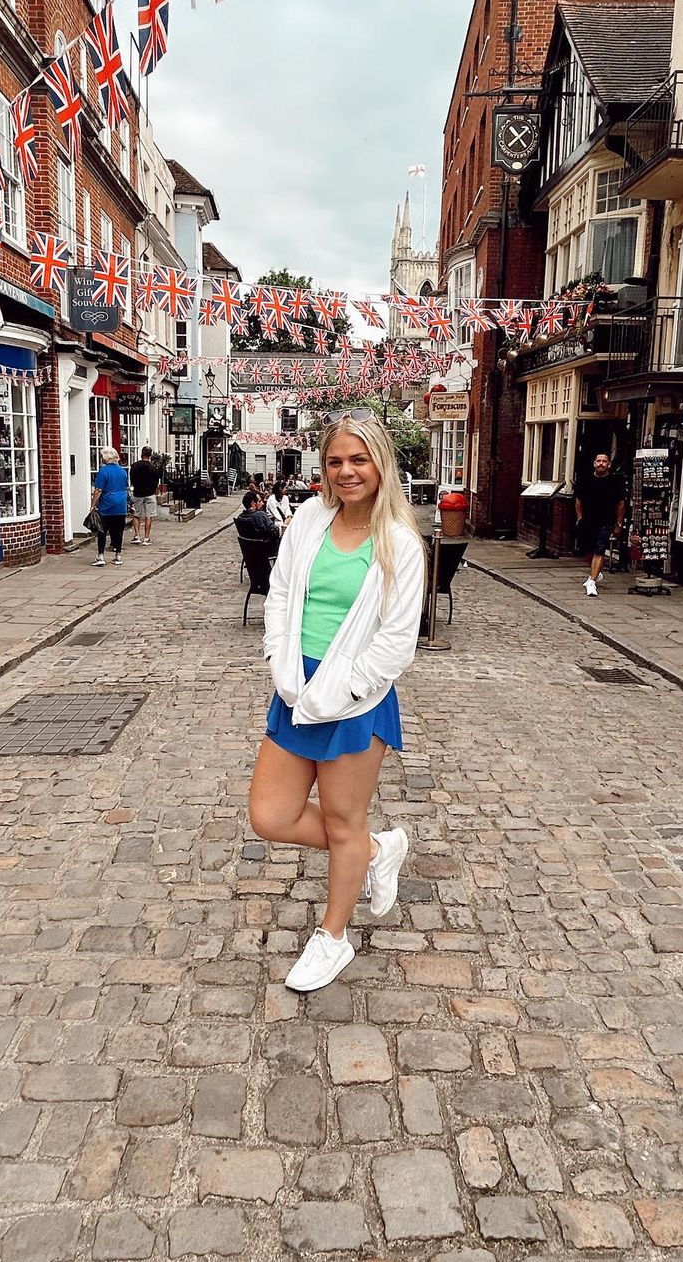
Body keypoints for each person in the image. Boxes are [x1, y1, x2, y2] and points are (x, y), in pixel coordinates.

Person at [249, 409, 425, 992]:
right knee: (270, 815)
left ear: (380, 464)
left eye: (358, 459)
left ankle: (333, 937)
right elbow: (280, 592)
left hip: (355, 697)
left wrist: (345, 688)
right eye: (335, 461)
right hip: (296, 686)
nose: (346, 471)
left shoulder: (400, 543)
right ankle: (377, 850)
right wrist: (279, 658)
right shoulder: (310, 518)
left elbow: (397, 641)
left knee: (344, 822)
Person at [574, 452, 627, 596]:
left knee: (600, 549)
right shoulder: (585, 480)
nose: (601, 464)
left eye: (604, 461)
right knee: (587, 549)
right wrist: (579, 518)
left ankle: (591, 582)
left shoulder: (615, 482)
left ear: (609, 464)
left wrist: (619, 523)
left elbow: (621, 504)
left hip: (606, 521)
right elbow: (578, 500)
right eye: (598, 461)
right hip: (588, 520)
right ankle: (596, 573)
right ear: (594, 463)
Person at [90, 447, 129, 567]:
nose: (101, 458)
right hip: (121, 505)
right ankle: (118, 555)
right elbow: (126, 488)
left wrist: (93, 504)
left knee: (102, 531)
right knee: (118, 531)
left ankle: (101, 556)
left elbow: (98, 490)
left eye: (101, 456)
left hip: (107, 505)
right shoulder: (122, 471)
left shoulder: (103, 471)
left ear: (105, 457)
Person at [128, 446, 159, 547]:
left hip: (138, 493)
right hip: (150, 494)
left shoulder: (134, 466)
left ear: (141, 454)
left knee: (136, 514)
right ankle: (146, 538)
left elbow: (132, 480)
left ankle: (137, 536)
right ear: (150, 455)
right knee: (148, 516)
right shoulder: (153, 468)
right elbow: (156, 483)